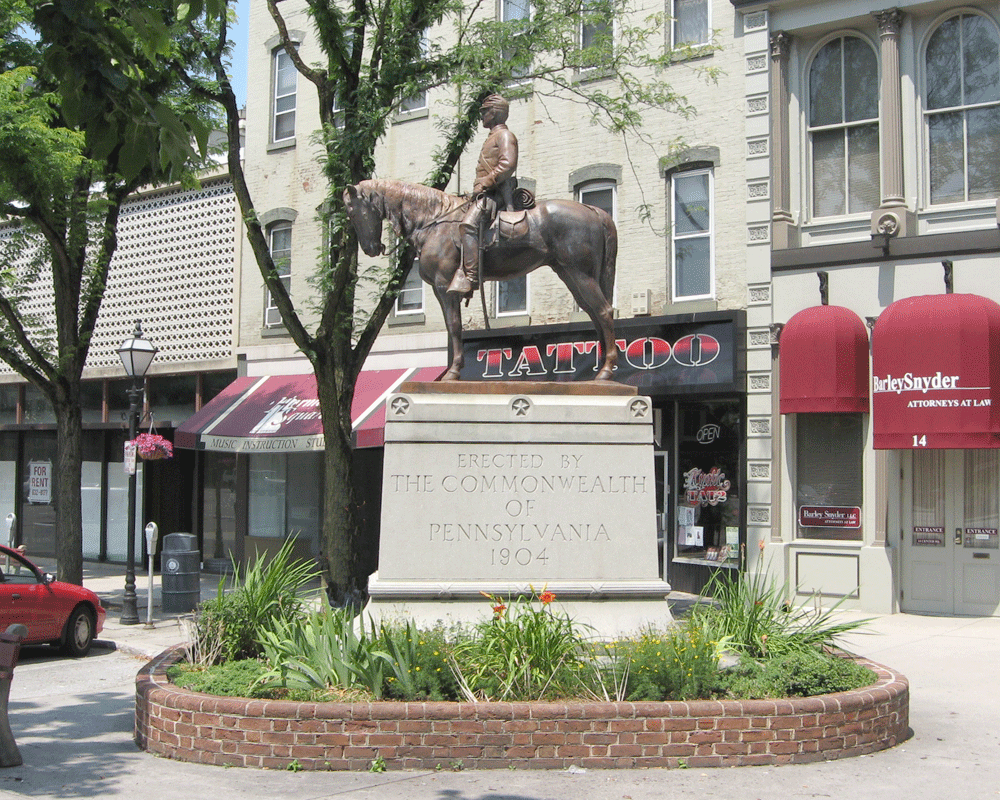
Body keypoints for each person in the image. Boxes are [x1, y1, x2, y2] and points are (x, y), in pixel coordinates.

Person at [447, 94, 519, 296]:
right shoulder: (493, 137)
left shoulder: (505, 136)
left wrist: (486, 182)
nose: (481, 117)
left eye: (484, 112)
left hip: (495, 194)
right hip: (485, 193)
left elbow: (507, 164)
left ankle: (470, 277)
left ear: (494, 113)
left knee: (469, 225)